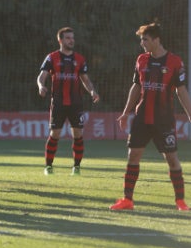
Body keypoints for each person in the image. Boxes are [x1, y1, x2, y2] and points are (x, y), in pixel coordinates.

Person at [111, 23, 190, 211]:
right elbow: (136, 86)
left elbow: (182, 92)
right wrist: (125, 112)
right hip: (141, 118)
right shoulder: (141, 60)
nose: (142, 43)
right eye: (141, 39)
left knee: (172, 158)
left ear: (156, 40)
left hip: (163, 120)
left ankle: (180, 201)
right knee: (133, 156)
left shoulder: (175, 62)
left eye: (145, 39)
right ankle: (127, 200)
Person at [37, 27, 100, 176]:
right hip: (58, 102)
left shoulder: (79, 59)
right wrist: (41, 86)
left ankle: (76, 167)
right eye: (68, 38)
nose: (71, 40)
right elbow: (42, 76)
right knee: (55, 134)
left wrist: (92, 90)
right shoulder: (52, 57)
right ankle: (48, 166)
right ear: (60, 40)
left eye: (72, 38)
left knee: (78, 134)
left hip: (75, 103)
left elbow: (86, 80)